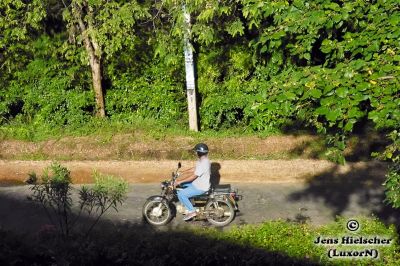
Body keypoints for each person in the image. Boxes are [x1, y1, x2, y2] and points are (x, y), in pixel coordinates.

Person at [174, 143, 211, 221]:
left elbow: (193, 176)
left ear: (199, 152)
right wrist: (182, 173)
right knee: (181, 186)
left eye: (196, 151)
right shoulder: (202, 160)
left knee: (181, 194)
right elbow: (194, 169)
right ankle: (189, 204)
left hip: (201, 187)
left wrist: (179, 181)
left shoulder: (204, 163)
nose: (195, 153)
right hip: (197, 183)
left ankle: (192, 211)